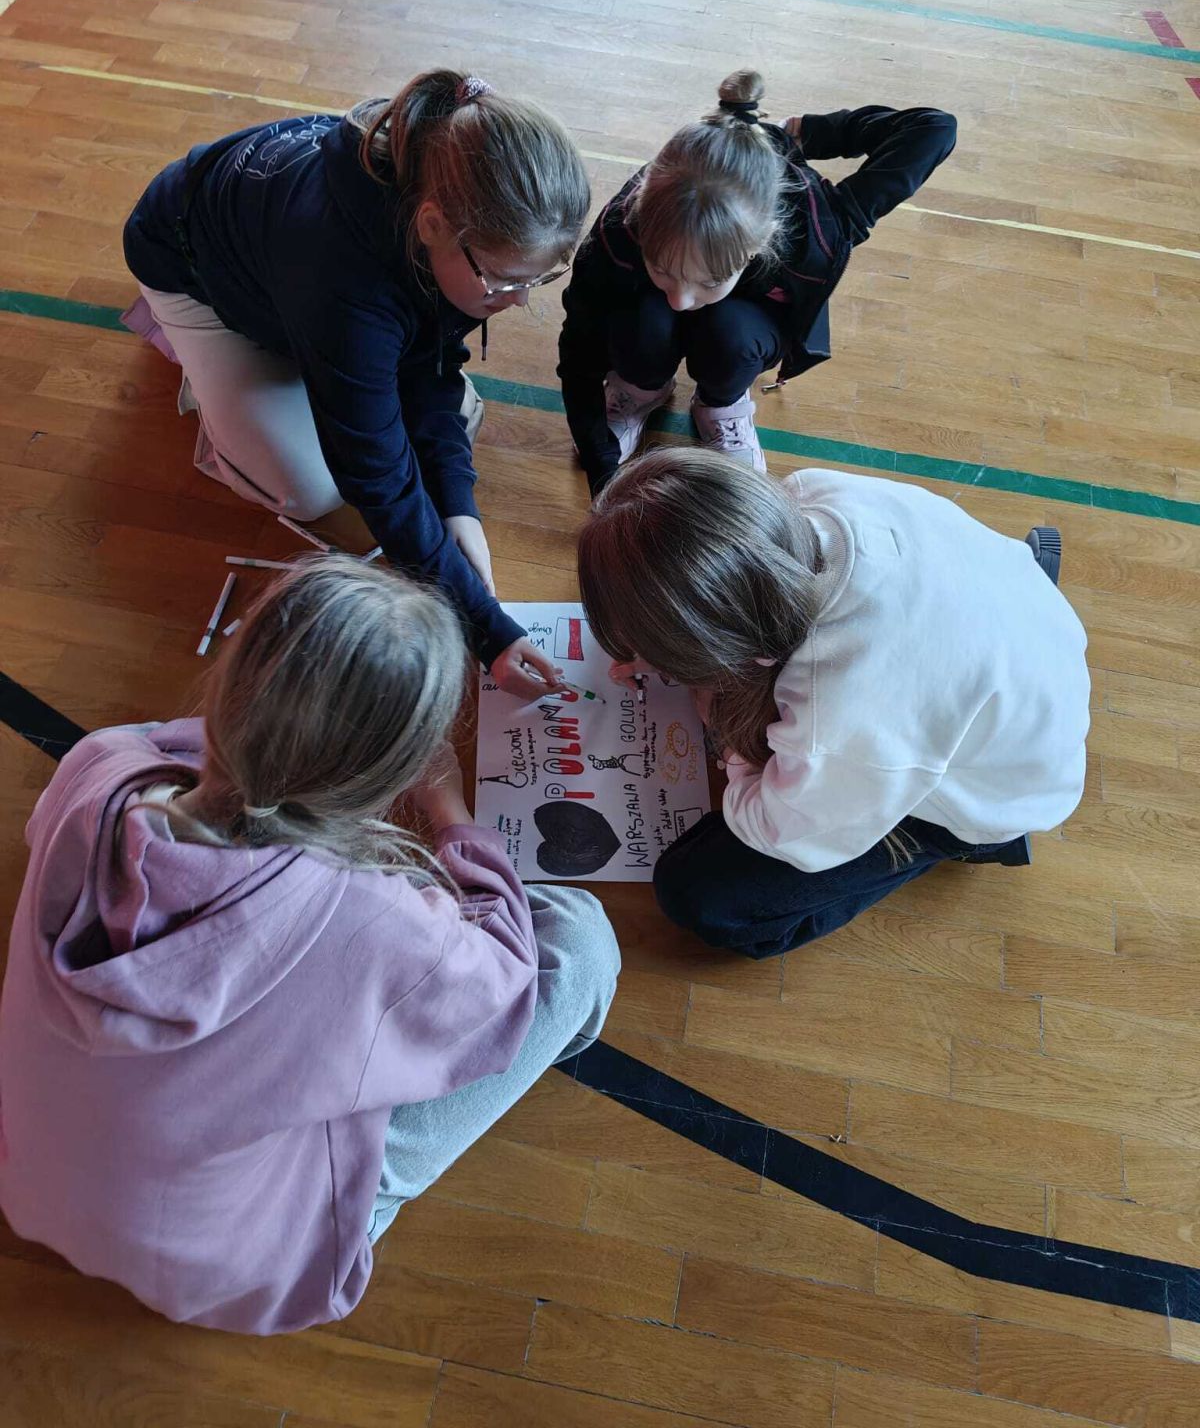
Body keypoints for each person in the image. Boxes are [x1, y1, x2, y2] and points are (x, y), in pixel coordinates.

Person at [0, 556, 619, 1334]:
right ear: (390, 778)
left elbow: (153, 769)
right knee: (580, 942)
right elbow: (497, 988)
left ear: (229, 686)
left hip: (33, 1185)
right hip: (232, 1269)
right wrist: (451, 813)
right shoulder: (370, 917)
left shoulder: (100, 765)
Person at [122, 68, 591, 697]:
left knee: (439, 415)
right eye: (506, 280)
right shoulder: (345, 289)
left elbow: (432, 357)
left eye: (537, 280)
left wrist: (456, 502)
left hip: (293, 274)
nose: (518, 299)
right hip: (184, 259)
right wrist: (487, 629)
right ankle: (201, 370)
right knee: (310, 487)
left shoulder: (453, 209)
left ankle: (288, 367)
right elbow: (375, 476)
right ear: (431, 226)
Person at [577, 448, 1090, 959]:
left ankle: (974, 842)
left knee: (700, 894)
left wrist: (723, 732)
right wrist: (673, 646)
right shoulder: (806, 493)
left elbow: (779, 830)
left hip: (1003, 787)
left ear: (731, 656)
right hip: (1014, 618)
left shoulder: (840, 720)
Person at [558, 69, 957, 491]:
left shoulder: (816, 226)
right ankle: (640, 388)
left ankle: (720, 403)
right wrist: (601, 467)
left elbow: (934, 127)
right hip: (642, 311)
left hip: (745, 323)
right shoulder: (617, 232)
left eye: (710, 281)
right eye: (662, 268)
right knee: (645, 322)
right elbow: (578, 355)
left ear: (760, 244)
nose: (680, 300)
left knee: (733, 337)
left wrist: (811, 133)